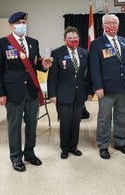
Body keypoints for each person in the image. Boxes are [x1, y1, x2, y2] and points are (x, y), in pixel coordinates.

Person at [0, 12, 52, 172]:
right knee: (15, 126)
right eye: (18, 22)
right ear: (11, 25)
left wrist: (43, 66)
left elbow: (34, 64)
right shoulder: (2, 43)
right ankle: (16, 157)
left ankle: (30, 153)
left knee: (32, 125)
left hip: (31, 91)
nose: (21, 24)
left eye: (23, 21)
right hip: (13, 92)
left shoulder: (33, 42)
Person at [89, 14, 125, 159]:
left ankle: (120, 142)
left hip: (124, 87)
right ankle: (103, 145)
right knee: (104, 118)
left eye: (114, 23)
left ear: (118, 25)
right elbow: (94, 68)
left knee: (121, 116)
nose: (112, 26)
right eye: (108, 23)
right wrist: (98, 86)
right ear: (103, 26)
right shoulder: (97, 43)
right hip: (106, 89)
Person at [47, 26, 93, 159]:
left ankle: (74, 147)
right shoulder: (57, 53)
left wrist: (90, 92)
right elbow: (52, 76)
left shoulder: (84, 53)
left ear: (78, 38)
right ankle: (65, 148)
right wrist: (52, 95)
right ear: (64, 40)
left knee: (76, 122)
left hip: (79, 95)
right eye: (70, 38)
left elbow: (87, 75)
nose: (73, 40)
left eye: (75, 38)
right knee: (65, 123)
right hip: (63, 95)